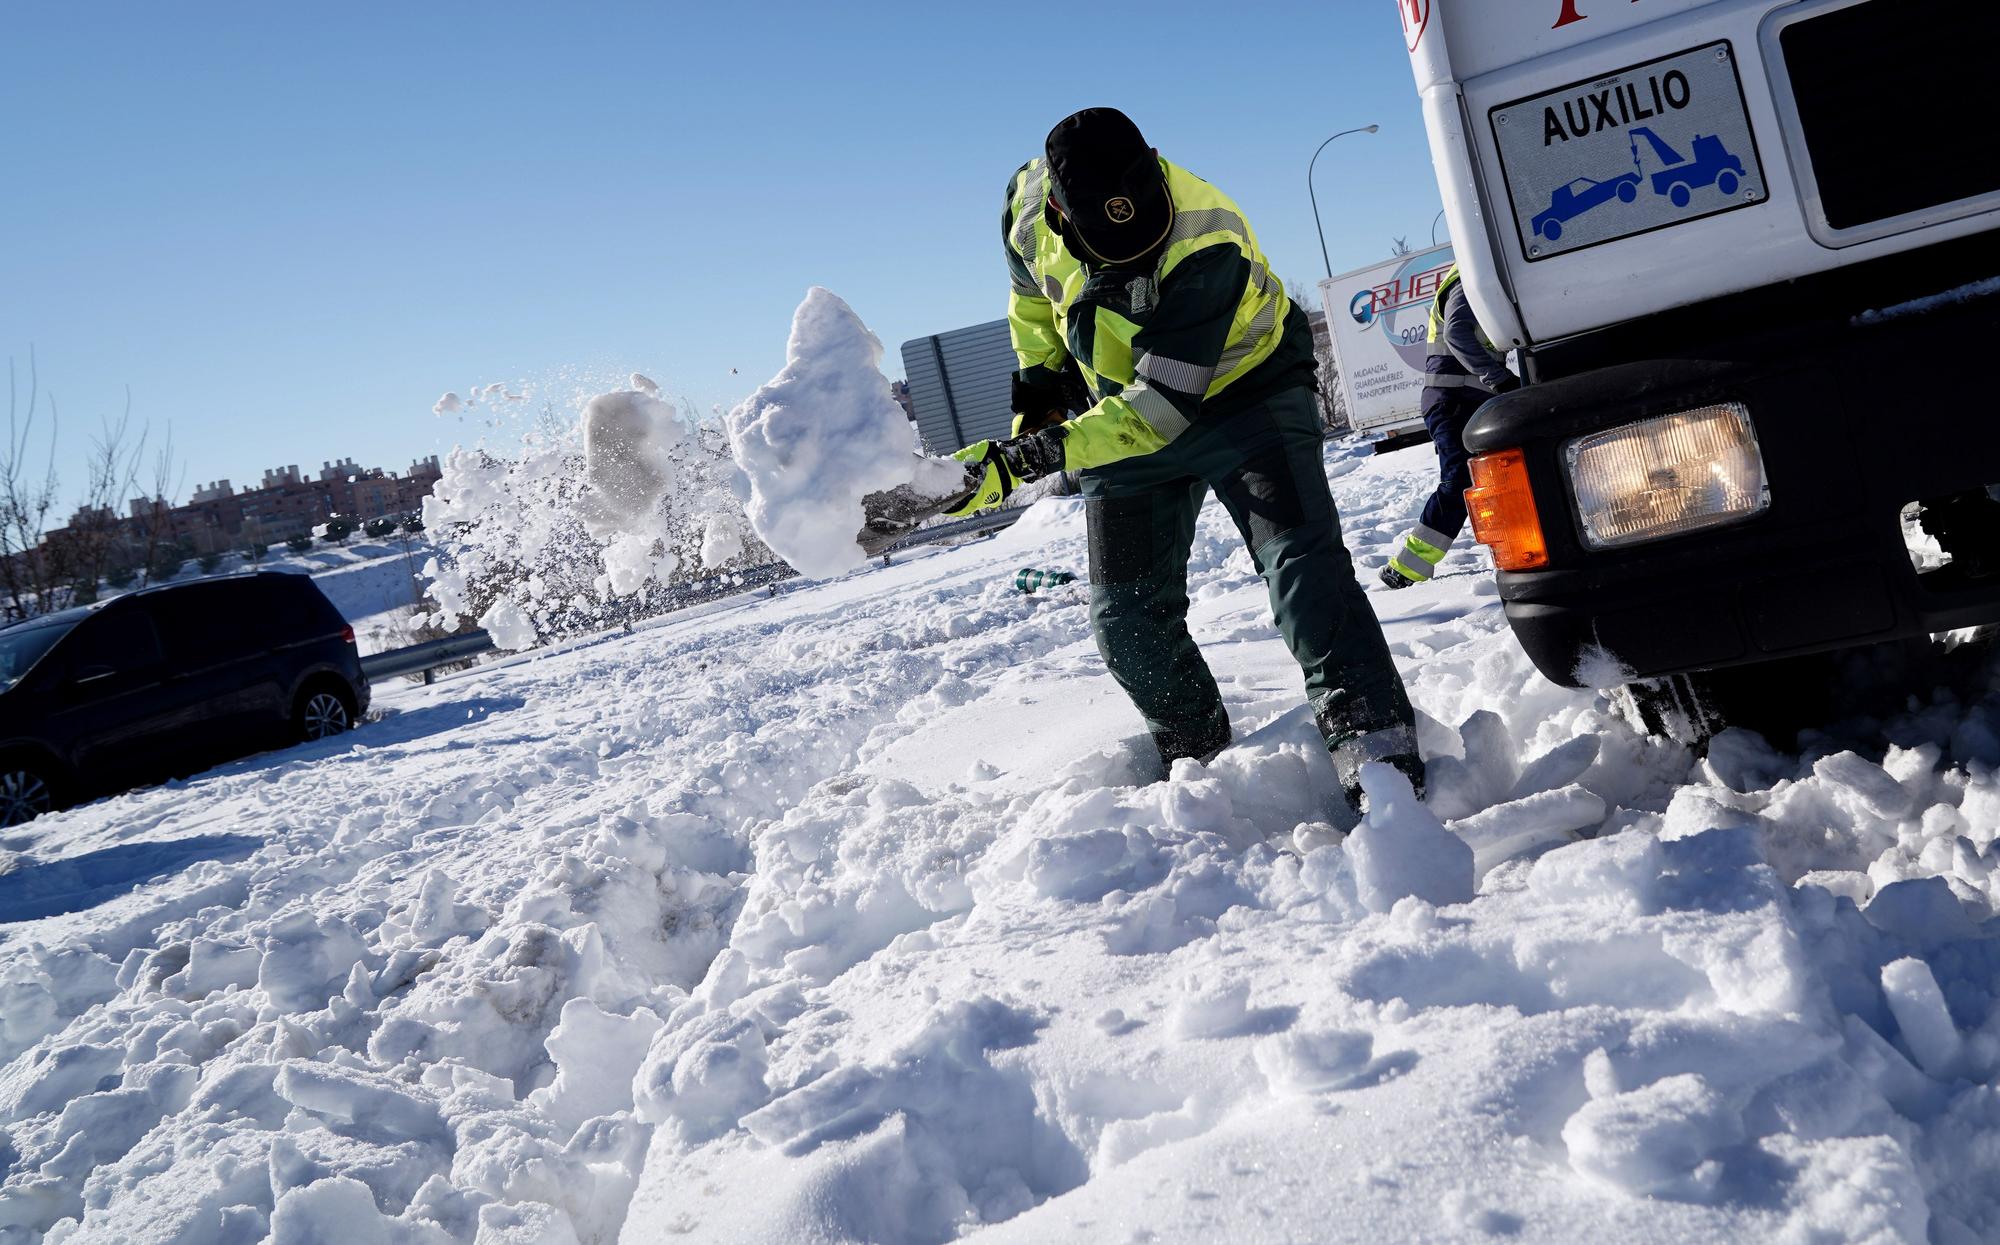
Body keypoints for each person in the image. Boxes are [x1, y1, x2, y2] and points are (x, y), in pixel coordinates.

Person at [945, 107, 1420, 809]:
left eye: (1144, 238)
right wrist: (1040, 402)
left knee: (1303, 571)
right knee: (1124, 620)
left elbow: (1162, 409)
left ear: (1156, 166)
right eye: (1116, 249)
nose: (1138, 255)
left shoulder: (1206, 238)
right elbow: (1032, 311)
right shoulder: (1022, 209)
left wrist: (1034, 456)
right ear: (1055, 213)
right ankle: (1198, 761)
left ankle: (1375, 749)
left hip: (1246, 396)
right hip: (1120, 414)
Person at [1380, 263, 1520, 589]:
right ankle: (1408, 565)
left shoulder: (1488, 279)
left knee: (1500, 473)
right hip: (1453, 401)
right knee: (1458, 480)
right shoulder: (1469, 278)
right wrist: (1501, 380)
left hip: (1469, 401)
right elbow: (1457, 333)